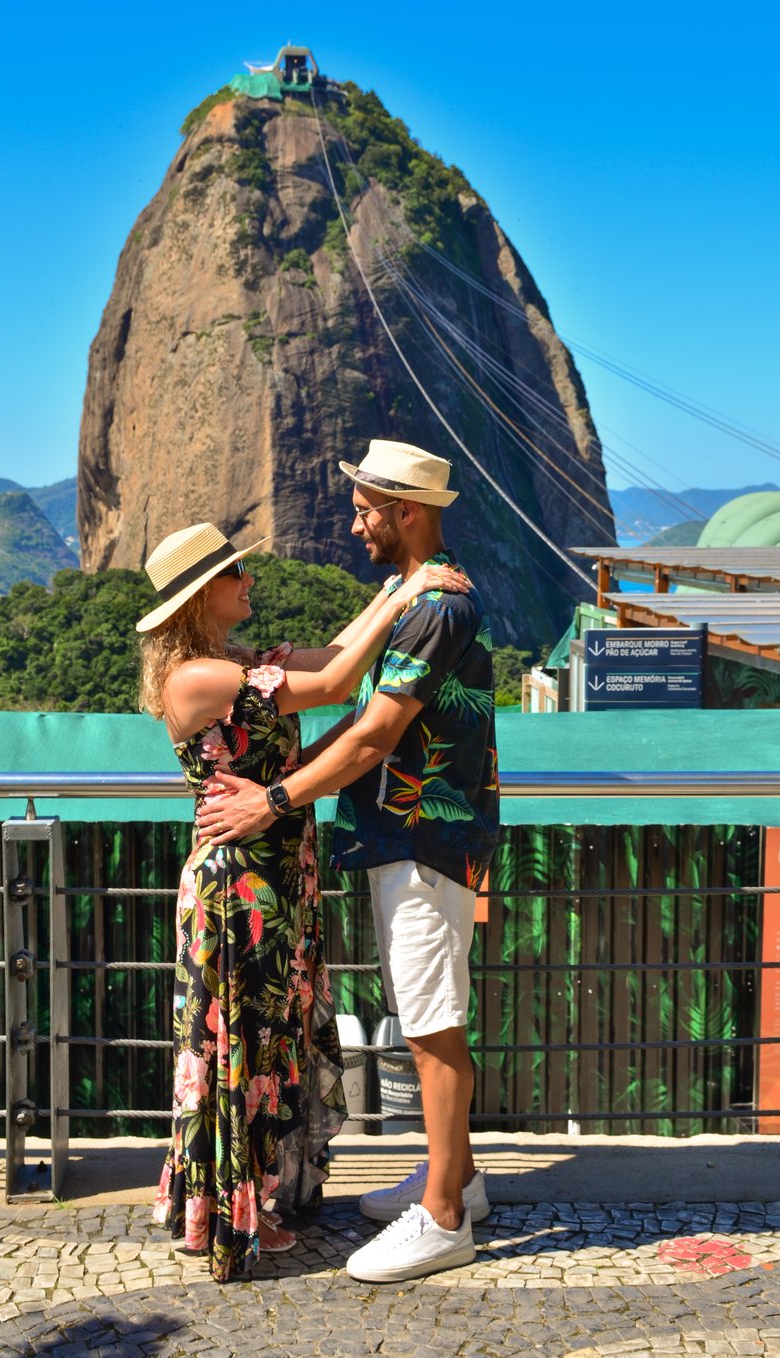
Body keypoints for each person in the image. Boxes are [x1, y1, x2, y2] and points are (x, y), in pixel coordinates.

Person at [196, 441, 500, 1283]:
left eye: (367, 509)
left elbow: (374, 734)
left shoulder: (439, 607)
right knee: (422, 1012)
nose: (356, 522)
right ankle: (459, 1180)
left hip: (425, 838)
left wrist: (273, 801)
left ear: (406, 510)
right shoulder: (412, 597)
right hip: (401, 836)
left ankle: (442, 1220)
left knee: (434, 1027)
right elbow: (349, 708)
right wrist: (289, 784)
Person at [137, 519, 468, 1282]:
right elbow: (337, 684)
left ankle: (267, 1197)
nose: (249, 582)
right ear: (200, 598)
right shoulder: (196, 677)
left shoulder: (236, 662)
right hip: (239, 888)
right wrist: (409, 594)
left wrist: (394, 590)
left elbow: (331, 659)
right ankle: (231, 1213)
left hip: (279, 879)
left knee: (271, 1038)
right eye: (235, 576)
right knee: (242, 1045)